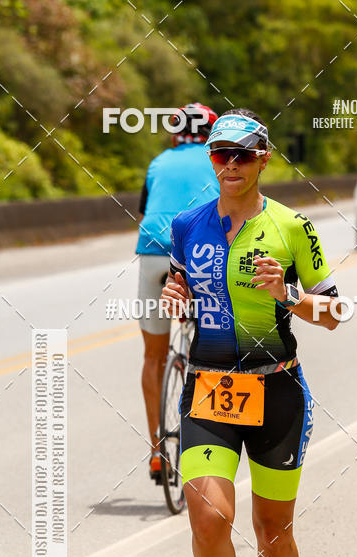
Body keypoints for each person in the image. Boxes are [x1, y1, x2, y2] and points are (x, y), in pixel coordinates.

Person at [162, 109, 339, 557]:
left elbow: (334, 314)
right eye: (220, 154)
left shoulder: (292, 227)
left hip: (276, 388)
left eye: (242, 154)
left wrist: (285, 294)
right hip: (210, 388)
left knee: (271, 528)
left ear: (264, 158)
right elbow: (181, 292)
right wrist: (175, 295)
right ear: (210, 160)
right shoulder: (187, 225)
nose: (230, 165)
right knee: (209, 516)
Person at [135, 102, 220, 481]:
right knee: (215, 345)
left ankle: (156, 450)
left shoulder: (158, 162)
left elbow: (145, 210)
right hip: (196, 256)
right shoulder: (219, 160)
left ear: (174, 134)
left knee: (153, 357)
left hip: (152, 255)